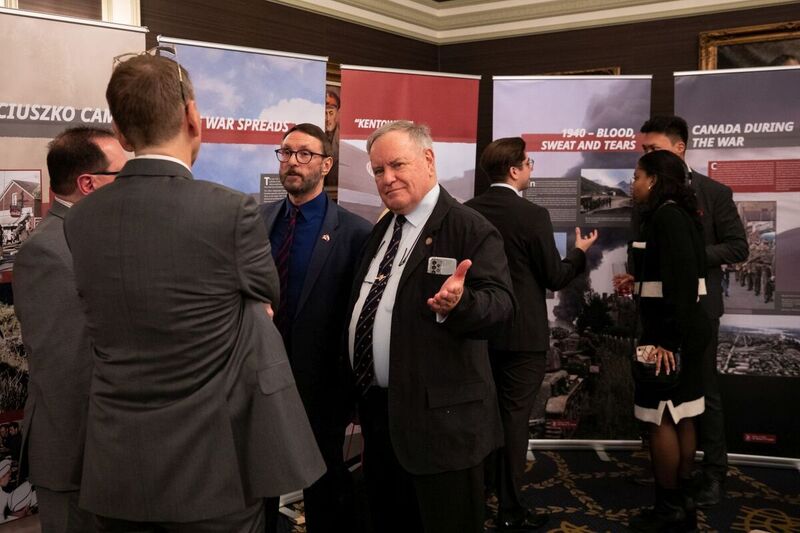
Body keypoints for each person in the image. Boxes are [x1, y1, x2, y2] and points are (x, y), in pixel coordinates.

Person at [62, 49, 325, 532]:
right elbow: (265, 300)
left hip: (117, 467)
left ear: (120, 133)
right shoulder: (231, 211)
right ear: (192, 117)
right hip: (213, 471)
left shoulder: (80, 220)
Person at [346, 121, 514, 533]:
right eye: (378, 170)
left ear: (428, 160)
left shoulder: (469, 227)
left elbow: (501, 307)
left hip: (443, 432)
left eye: (397, 165)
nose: (387, 178)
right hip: (383, 421)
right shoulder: (383, 230)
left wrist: (461, 304)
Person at [465, 137, 598, 531]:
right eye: (529, 162)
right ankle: (510, 511)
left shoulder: (466, 211)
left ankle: (477, 499)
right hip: (523, 338)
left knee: (482, 417)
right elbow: (554, 276)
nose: (532, 168)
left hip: (478, 333)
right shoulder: (533, 215)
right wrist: (579, 252)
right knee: (514, 421)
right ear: (514, 170)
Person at [13, 126, 126, 533]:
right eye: (122, 175)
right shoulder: (48, 251)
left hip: (106, 456)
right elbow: (66, 369)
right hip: (76, 455)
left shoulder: (95, 235)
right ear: (88, 183)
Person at [633, 115, 748, 507]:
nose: (646, 156)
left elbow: (738, 247)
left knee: (703, 395)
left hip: (697, 310)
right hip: (659, 309)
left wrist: (685, 256)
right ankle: (670, 473)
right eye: (644, 150)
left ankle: (713, 473)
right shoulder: (649, 194)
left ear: (679, 148)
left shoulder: (713, 192)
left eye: (653, 149)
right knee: (668, 403)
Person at [261, 123, 371, 533]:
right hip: (262, 376)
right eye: (286, 152)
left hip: (323, 384)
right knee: (260, 476)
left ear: (326, 165)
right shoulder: (257, 220)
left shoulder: (356, 232)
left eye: (305, 154)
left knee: (324, 482)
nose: (292, 161)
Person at [626, 150, 712, 532]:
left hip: (668, 333)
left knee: (660, 414)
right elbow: (676, 274)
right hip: (685, 331)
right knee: (683, 413)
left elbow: (680, 284)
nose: (633, 184)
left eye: (637, 176)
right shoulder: (681, 214)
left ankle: (669, 509)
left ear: (654, 180)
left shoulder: (666, 216)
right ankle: (683, 503)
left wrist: (664, 341)